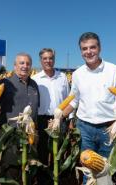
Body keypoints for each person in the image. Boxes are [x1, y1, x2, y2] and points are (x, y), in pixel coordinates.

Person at [62, 32, 116, 184]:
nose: (88, 52)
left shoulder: (115, 71)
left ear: (99, 48)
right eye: (84, 49)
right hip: (85, 128)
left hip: (109, 128)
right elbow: (74, 100)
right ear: (81, 51)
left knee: (107, 170)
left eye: (92, 47)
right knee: (87, 169)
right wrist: (59, 116)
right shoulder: (77, 74)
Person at [0, 53, 39, 182]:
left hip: (30, 137)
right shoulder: (5, 83)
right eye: (21, 63)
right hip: (11, 137)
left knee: (28, 173)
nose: (25, 66)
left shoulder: (34, 85)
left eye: (28, 63)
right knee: (11, 172)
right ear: (14, 66)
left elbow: (36, 110)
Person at [32, 48, 70, 185]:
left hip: (60, 119)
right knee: (42, 150)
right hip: (43, 119)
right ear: (41, 60)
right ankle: (43, 180)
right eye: (45, 58)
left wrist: (69, 118)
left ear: (54, 59)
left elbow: (68, 98)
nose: (48, 61)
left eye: (50, 58)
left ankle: (57, 177)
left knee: (59, 150)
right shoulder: (35, 79)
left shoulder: (63, 77)